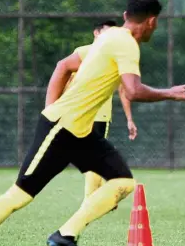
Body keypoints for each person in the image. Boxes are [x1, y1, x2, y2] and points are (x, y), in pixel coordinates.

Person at [0, 0, 185, 246]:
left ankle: (66, 235)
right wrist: (170, 93)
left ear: (126, 15)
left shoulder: (109, 38)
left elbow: (73, 68)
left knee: (123, 182)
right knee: (20, 195)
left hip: (82, 132)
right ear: (152, 22)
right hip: (61, 127)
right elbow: (134, 90)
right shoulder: (125, 44)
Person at [45, 20, 138, 204]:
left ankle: (95, 196)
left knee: (90, 155)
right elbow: (65, 76)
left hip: (96, 114)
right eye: (105, 32)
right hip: (88, 113)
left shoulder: (111, 55)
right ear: (96, 33)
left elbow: (124, 90)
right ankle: (91, 200)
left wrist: (129, 118)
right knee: (93, 156)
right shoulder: (87, 52)